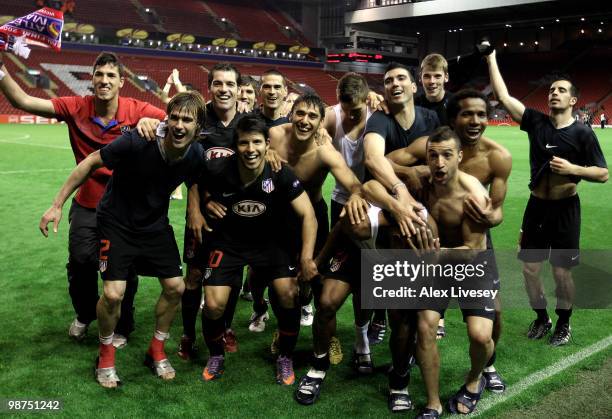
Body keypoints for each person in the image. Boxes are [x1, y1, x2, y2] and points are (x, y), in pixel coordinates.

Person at [39, 91, 207, 388]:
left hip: (154, 225)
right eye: (175, 118)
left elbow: (197, 178)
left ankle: (155, 350)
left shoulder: (195, 154)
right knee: (114, 293)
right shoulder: (138, 140)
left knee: (175, 287)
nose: (179, 125)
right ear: (167, 119)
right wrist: (56, 204)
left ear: (198, 128)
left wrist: (197, 208)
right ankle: (105, 354)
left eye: (187, 120)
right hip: (116, 222)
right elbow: (91, 161)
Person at [0, 51, 166, 346]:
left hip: (125, 208)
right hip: (88, 203)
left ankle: (123, 326)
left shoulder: (138, 109)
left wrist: (154, 123)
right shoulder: (76, 106)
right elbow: (23, 101)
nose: (104, 80)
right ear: (92, 79)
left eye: (110, 75)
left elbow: (181, 122)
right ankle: (86, 314)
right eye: (99, 75)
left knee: (124, 267)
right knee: (80, 261)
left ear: (121, 81)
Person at [388, 88, 512, 392]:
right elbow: (384, 161)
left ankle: (488, 364)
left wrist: (492, 216)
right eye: (467, 114)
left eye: (481, 114)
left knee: (492, 311)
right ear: (454, 118)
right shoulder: (430, 144)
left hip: (473, 234)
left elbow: (495, 211)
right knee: (420, 317)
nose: (475, 120)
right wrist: (410, 175)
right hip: (435, 234)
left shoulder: (497, 157)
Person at [485, 45, 608, 346]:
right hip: (536, 207)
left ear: (573, 99)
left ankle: (564, 324)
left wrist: (573, 168)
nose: (554, 93)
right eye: (552, 89)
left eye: (561, 90)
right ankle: (542, 318)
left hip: (566, 209)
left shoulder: (582, 133)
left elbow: (602, 173)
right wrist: (491, 58)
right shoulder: (536, 123)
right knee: (529, 270)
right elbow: (503, 97)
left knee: (562, 272)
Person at [365, 126, 492, 416]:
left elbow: (473, 249)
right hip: (435, 266)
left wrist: (435, 256)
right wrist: (399, 185)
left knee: (481, 336)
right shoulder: (420, 179)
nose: (439, 163)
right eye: (432, 156)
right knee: (425, 327)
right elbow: (372, 178)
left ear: (460, 156)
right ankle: (433, 402)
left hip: (468, 263)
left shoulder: (472, 194)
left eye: (447, 155)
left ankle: (474, 380)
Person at [198, 114, 318, 386]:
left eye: (256, 142)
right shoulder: (218, 169)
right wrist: (203, 203)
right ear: (235, 145)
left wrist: (306, 256)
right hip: (228, 243)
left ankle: (285, 356)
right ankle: (216, 355)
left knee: (288, 294)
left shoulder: (280, 173)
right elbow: (197, 183)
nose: (250, 149)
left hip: (271, 243)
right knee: (214, 305)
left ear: (267, 144)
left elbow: (308, 215)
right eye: (243, 143)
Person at [415, 53, 453, 126]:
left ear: (446, 77)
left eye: (437, 76)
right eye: (427, 76)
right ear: (420, 78)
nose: (432, 81)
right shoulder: (414, 105)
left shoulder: (456, 103)